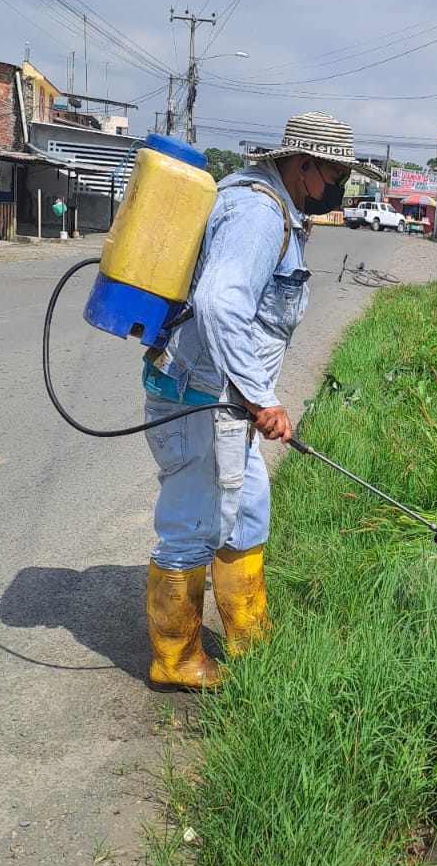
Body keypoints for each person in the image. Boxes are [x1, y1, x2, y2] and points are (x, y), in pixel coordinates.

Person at [141, 111, 380, 689]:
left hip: (225, 402)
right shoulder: (257, 212)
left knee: (246, 513)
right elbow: (220, 303)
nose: (339, 188)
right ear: (303, 165)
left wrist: (249, 401)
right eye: (336, 176)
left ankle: (251, 639)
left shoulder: (276, 208)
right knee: (194, 523)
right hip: (199, 397)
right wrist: (261, 397)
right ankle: (175, 658)